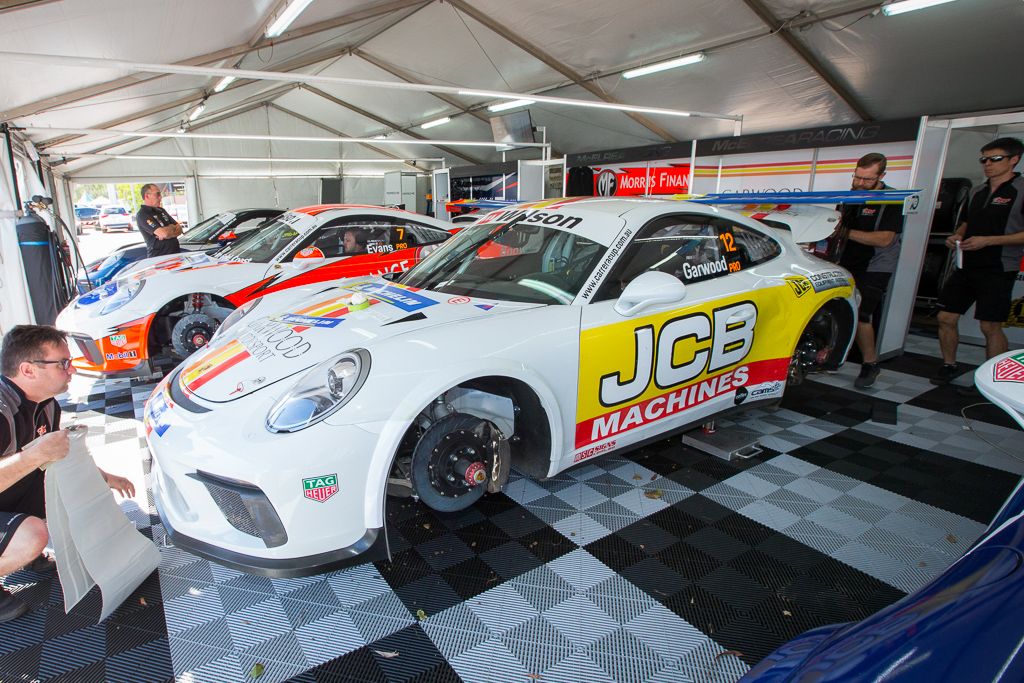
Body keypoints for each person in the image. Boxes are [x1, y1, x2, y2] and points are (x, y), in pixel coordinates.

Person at [0, 325, 135, 622]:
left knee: (71, 485)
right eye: (62, 363)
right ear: (28, 370)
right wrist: (34, 455)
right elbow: (35, 457)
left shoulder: (46, 405)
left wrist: (105, 477)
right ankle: (17, 543)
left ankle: (18, 551)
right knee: (32, 535)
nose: (71, 369)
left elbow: (61, 457)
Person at [933, 137, 1024, 387]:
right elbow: (966, 222)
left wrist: (989, 241)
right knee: (945, 317)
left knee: (989, 325)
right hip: (966, 264)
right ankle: (948, 365)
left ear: (1014, 159)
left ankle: (992, 381)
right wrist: (957, 236)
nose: (988, 164)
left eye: (995, 159)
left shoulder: (1021, 189)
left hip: (999, 267)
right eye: (984, 159)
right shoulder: (978, 190)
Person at [837, 153, 904, 388]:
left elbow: (885, 239)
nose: (860, 183)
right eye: (857, 177)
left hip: (876, 265)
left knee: (862, 313)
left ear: (881, 176)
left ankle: (870, 363)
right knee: (837, 308)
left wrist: (844, 233)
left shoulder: (892, 199)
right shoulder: (849, 196)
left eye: (867, 180)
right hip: (845, 261)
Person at [135, 183, 182, 259]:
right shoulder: (142, 214)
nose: (160, 197)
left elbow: (179, 229)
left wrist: (169, 232)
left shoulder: (161, 210)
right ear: (147, 196)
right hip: (159, 259)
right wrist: (172, 228)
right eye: (157, 194)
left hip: (175, 256)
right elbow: (164, 234)